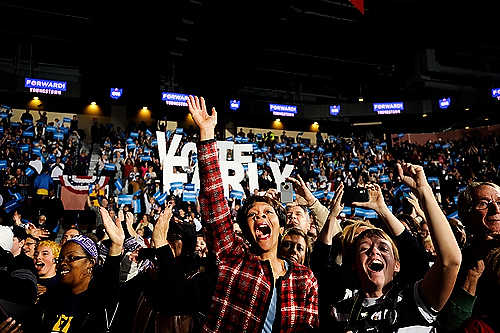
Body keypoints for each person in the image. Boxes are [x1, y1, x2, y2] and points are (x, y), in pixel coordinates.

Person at [188, 95, 319, 332]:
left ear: (281, 225)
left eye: (268, 212)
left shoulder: (304, 278)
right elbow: (214, 199)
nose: (260, 217)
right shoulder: (233, 257)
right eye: (252, 215)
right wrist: (207, 134)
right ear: (246, 230)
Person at [325, 162, 462, 332]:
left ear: (397, 265)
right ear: (353, 264)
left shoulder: (416, 300)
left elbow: (450, 261)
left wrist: (423, 190)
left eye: (383, 248)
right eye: (364, 249)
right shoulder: (339, 312)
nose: (374, 251)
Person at [38, 207, 124, 332]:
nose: (63, 263)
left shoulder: (100, 301)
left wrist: (116, 246)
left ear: (90, 263)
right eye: (61, 259)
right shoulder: (50, 299)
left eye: (71, 257)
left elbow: (110, 280)